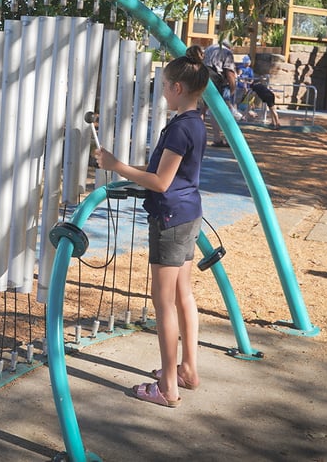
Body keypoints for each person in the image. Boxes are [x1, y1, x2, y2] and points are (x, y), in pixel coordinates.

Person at [96, 44, 208, 407]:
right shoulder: (196, 122)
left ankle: (168, 388)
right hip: (188, 214)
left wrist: (116, 166)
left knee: (164, 305)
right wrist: (127, 168)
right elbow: (168, 173)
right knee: (183, 295)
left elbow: (160, 182)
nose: (162, 92)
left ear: (177, 87)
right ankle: (188, 369)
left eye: (163, 86)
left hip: (170, 219)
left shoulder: (179, 129)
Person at [202, 38, 236, 147]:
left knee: (202, 108)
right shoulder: (227, 52)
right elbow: (229, 72)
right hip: (215, 78)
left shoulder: (209, 48)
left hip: (202, 75)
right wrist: (233, 88)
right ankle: (221, 138)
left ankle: (196, 136)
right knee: (218, 109)